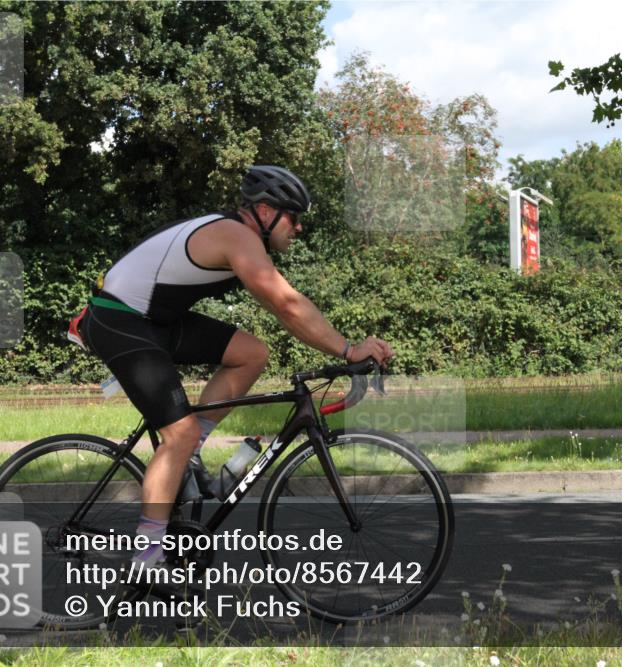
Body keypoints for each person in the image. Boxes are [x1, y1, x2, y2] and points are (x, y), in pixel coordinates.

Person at [68, 165, 393, 568]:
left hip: (155, 320)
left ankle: (191, 453)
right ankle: (147, 558)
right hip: (120, 320)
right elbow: (287, 306)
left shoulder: (241, 238)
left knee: (251, 353)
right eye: (294, 216)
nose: (299, 227)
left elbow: (286, 305)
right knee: (178, 433)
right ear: (264, 211)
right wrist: (347, 350)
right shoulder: (235, 236)